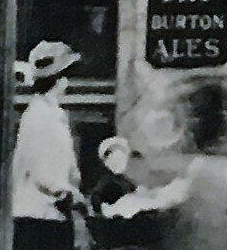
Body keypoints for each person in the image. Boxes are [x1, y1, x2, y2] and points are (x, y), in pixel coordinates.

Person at [10, 41, 82, 250]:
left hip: (45, 215)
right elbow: (45, 172)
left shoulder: (46, 113)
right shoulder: (43, 117)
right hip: (42, 216)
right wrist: (67, 193)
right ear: (59, 80)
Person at [87, 134, 192, 250]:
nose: (117, 162)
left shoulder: (131, 180)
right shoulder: (108, 184)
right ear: (106, 163)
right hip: (123, 237)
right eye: (113, 159)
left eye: (121, 158)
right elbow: (105, 210)